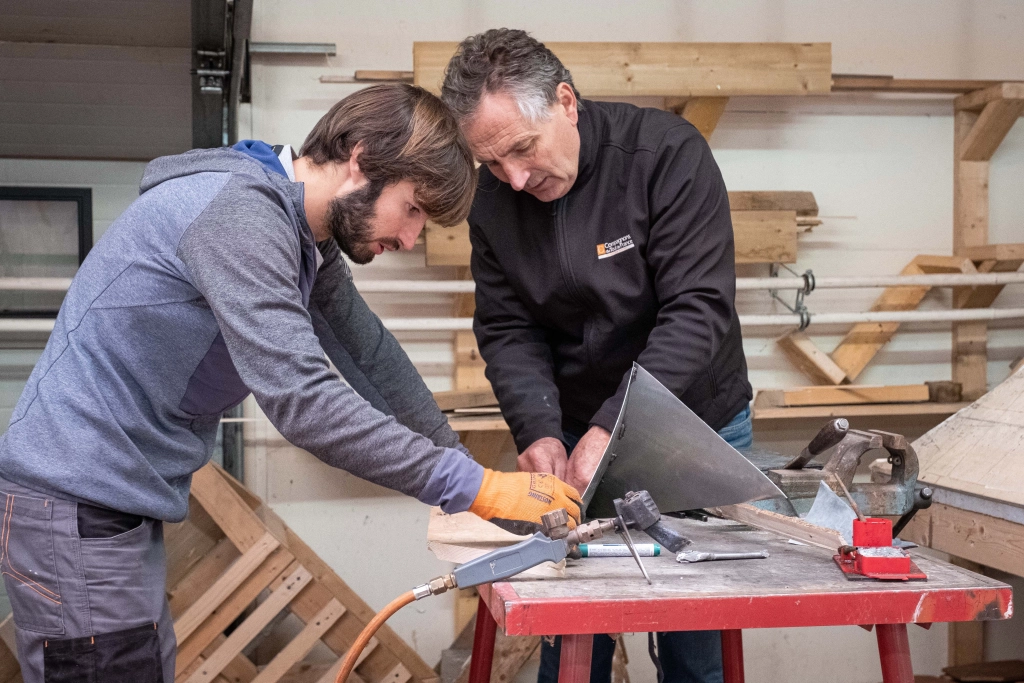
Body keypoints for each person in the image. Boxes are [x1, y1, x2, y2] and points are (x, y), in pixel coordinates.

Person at [0, 83, 580, 683]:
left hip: (107, 500)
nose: (409, 239)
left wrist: (480, 486)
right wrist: (471, 485)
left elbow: (370, 354)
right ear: (361, 158)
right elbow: (304, 402)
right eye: (413, 210)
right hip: (74, 504)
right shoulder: (241, 215)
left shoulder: (301, 234)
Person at [441, 30, 755, 683]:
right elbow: (507, 327)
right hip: (580, 441)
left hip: (692, 426)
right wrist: (539, 431)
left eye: (523, 150)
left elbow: (698, 309)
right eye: (493, 164)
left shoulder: (665, 157)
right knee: (571, 643)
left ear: (565, 102)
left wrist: (613, 426)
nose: (515, 179)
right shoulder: (497, 204)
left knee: (694, 647)